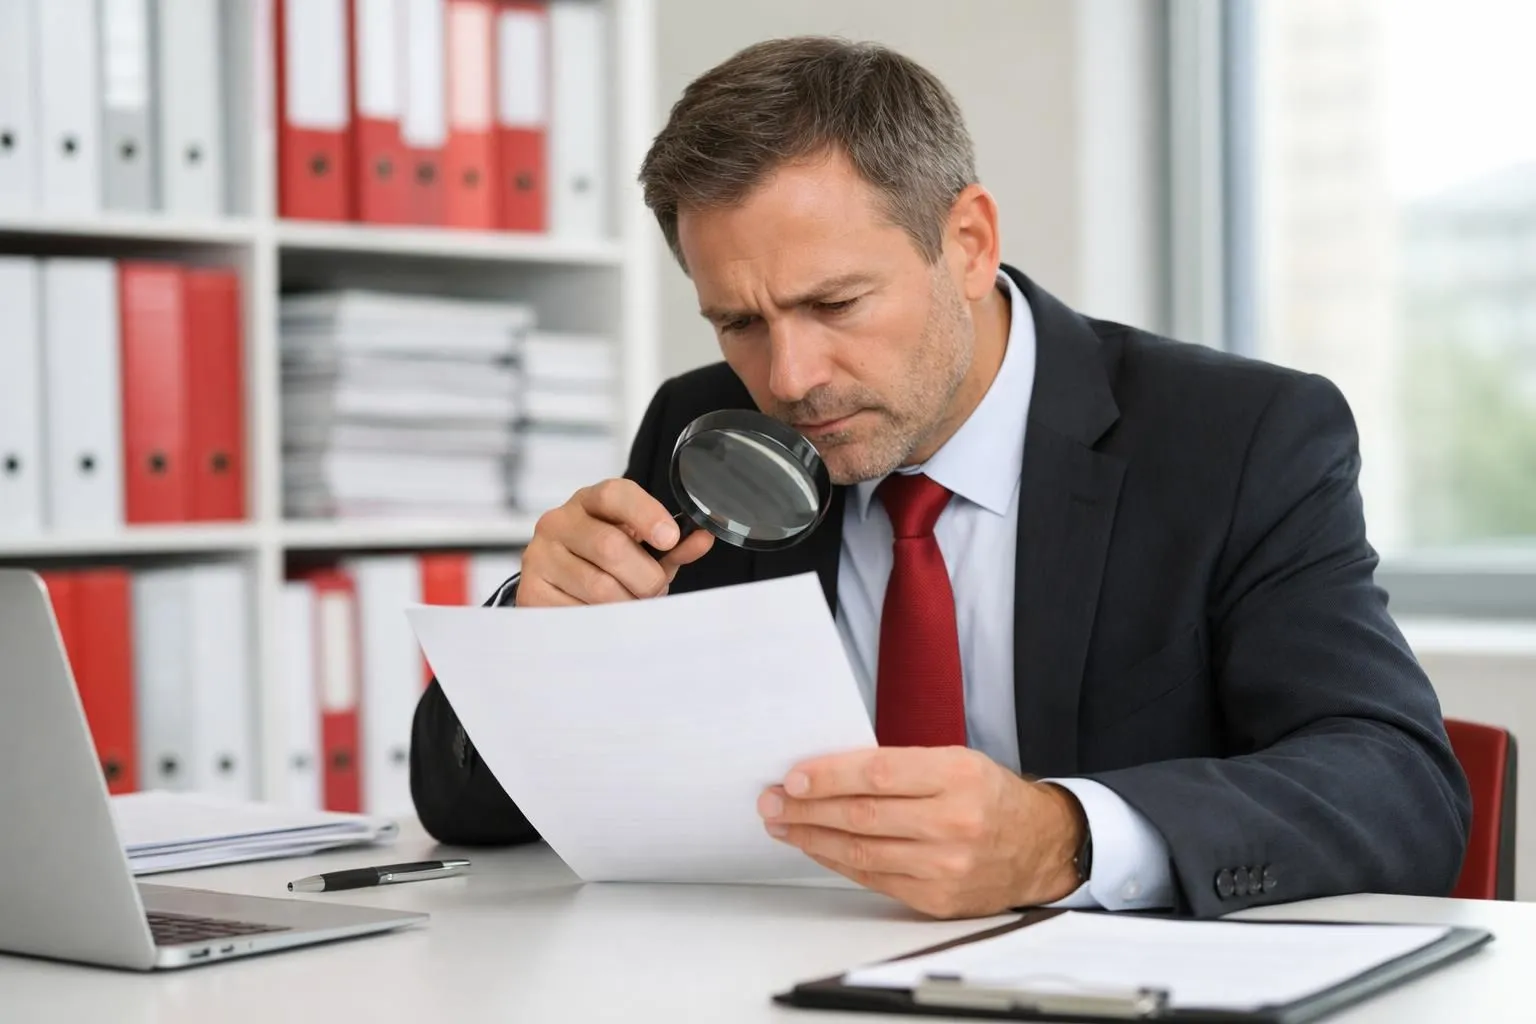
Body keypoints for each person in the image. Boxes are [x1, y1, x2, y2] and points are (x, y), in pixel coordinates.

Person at [409, 36, 1470, 920]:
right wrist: (537, 625)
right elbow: (466, 810)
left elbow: (1400, 787)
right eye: (739, 321)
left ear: (967, 242)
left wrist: (1065, 838)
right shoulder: (707, 429)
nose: (790, 377)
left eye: (835, 304)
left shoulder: (1238, 438)